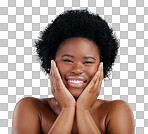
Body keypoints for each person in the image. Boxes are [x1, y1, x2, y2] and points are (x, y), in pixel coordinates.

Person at [12, 9, 134, 134]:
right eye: (67, 60)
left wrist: (83, 110)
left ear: (101, 66)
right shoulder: (30, 108)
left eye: (88, 62)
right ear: (51, 62)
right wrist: (67, 108)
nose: (77, 70)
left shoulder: (116, 111)